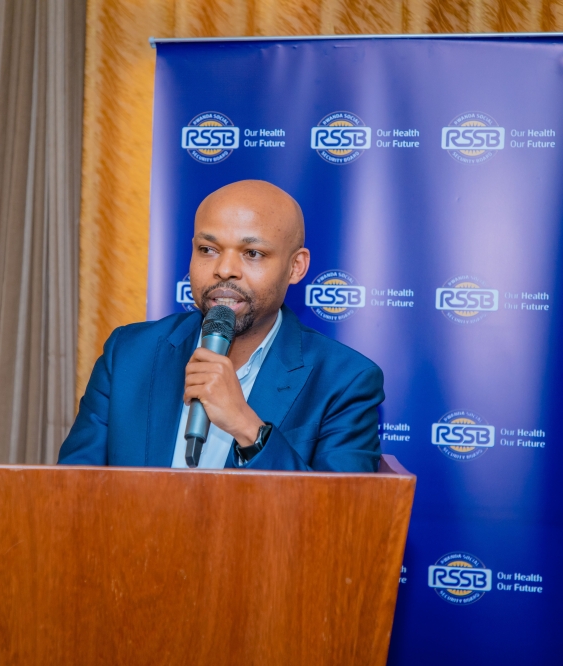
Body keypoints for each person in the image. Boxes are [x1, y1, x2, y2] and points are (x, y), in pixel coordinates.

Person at [58, 180, 384, 471]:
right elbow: (71, 494)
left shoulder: (345, 380)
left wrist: (247, 428)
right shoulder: (129, 354)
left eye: (252, 253)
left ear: (296, 267)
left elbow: (339, 523)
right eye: (208, 250)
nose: (224, 269)